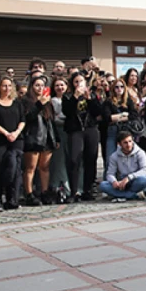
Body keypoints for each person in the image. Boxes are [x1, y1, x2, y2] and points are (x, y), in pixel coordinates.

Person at [0, 76, 26, 210]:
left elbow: (22, 119)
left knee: (15, 169)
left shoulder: (17, 103)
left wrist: (15, 132)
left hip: (16, 140)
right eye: (4, 85)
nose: (7, 88)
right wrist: (6, 133)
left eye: (9, 85)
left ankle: (12, 199)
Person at [63, 72, 102, 202]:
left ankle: (88, 190)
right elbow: (67, 112)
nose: (79, 84)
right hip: (75, 131)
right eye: (76, 82)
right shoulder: (68, 96)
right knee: (74, 160)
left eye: (81, 81)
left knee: (91, 159)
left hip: (91, 129)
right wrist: (75, 97)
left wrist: (89, 99)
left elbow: (97, 112)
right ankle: (74, 192)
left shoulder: (91, 95)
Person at [22, 76, 58, 206]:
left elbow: (51, 121)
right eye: (37, 85)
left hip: (47, 138)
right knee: (30, 168)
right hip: (33, 137)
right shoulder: (26, 101)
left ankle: (44, 192)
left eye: (42, 85)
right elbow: (28, 117)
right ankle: (29, 194)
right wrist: (39, 104)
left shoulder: (48, 102)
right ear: (31, 87)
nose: (40, 88)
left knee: (44, 167)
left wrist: (56, 138)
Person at [99, 131, 146, 202]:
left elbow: (145, 170)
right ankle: (133, 195)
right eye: (125, 142)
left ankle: (121, 195)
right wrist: (114, 181)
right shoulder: (114, 156)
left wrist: (129, 177)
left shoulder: (140, 153)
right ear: (119, 144)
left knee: (144, 181)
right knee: (103, 185)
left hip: (135, 180)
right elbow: (110, 173)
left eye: (130, 141)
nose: (128, 145)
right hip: (122, 183)